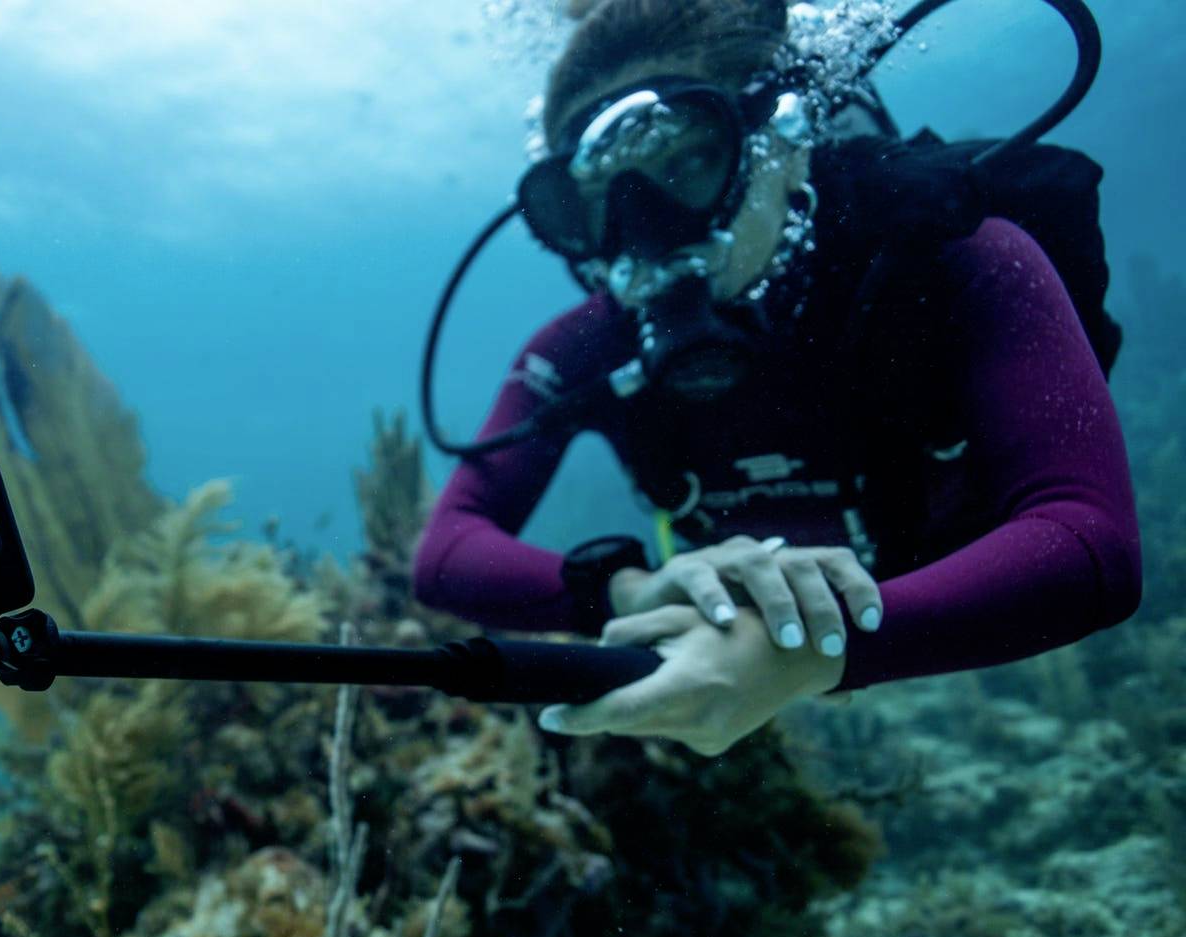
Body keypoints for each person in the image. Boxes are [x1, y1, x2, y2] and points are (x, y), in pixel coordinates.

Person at [411, 0, 1141, 755]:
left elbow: (1092, 544)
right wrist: (628, 589)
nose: (648, 236)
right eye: (603, 204)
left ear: (783, 139)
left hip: (937, 563)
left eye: (690, 162)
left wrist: (808, 653)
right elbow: (446, 552)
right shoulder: (593, 344)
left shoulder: (958, 258)